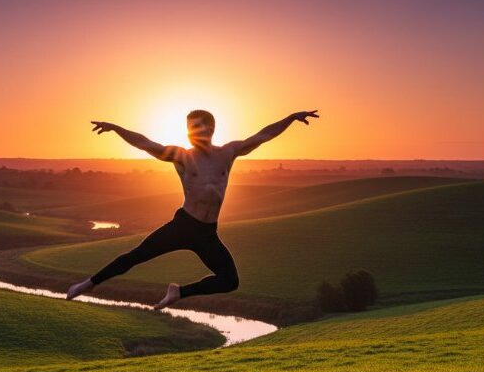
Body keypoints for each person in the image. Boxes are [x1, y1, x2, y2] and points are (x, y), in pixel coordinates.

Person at [66, 109, 319, 309]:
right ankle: (87, 284)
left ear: (211, 128)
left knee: (230, 281)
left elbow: (263, 135)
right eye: (189, 128)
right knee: (137, 255)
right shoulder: (181, 156)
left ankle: (179, 292)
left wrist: (290, 118)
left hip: (208, 233)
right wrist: (116, 128)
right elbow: (144, 142)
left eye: (197, 126)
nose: (192, 132)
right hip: (183, 225)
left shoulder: (228, 152)